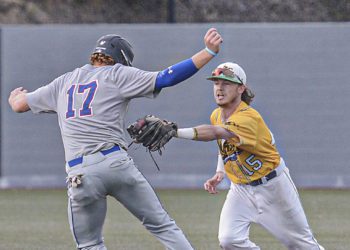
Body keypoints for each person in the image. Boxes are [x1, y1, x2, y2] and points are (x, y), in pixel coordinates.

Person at [8, 28, 223, 250]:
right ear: (121, 59)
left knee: (90, 244)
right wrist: (208, 51)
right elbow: (167, 77)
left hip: (80, 172)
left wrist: (16, 97)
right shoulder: (118, 73)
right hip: (115, 163)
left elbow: (19, 105)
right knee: (163, 226)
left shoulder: (64, 82)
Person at [174, 62, 324, 250]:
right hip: (240, 190)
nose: (219, 88)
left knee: (302, 245)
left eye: (226, 83)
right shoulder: (217, 115)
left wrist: (175, 132)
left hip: (273, 188)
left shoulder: (248, 118)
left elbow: (215, 133)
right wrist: (220, 172)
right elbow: (224, 141)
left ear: (240, 88)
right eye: (216, 83)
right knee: (229, 239)